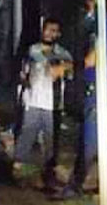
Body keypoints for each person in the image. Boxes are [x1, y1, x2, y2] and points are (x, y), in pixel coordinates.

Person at [54, 0, 107, 200]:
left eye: (86, 8)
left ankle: (76, 185)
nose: (84, 13)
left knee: (90, 137)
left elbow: (90, 60)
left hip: (97, 86)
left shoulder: (99, 29)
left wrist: (65, 67)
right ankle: (104, 184)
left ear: (93, 5)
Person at [13, 18, 73, 189]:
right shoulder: (34, 50)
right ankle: (18, 170)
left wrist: (64, 67)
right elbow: (45, 66)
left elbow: (68, 72)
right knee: (27, 135)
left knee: (51, 140)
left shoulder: (63, 53)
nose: (49, 33)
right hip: (33, 100)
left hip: (53, 104)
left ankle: (49, 174)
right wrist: (63, 66)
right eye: (47, 29)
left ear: (59, 34)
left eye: (54, 30)